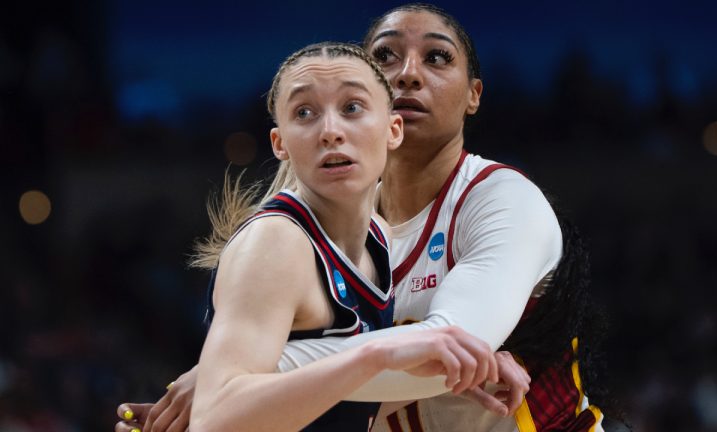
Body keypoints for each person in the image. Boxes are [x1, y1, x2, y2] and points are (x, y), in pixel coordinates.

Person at [117, 3, 609, 432]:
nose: (409, 74)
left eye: (437, 57)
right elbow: (412, 356)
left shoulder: (501, 199)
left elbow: (449, 349)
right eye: (385, 57)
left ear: (474, 94)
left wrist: (231, 376)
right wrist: (233, 383)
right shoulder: (309, 230)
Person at [161, 41, 503, 431]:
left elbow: (336, 393)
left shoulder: (380, 237)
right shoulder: (276, 243)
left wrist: (450, 372)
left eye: (352, 108)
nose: (330, 132)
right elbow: (215, 418)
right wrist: (376, 355)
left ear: (393, 130)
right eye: (304, 113)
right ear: (280, 144)